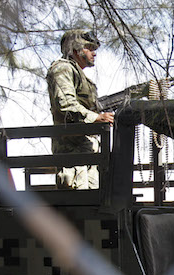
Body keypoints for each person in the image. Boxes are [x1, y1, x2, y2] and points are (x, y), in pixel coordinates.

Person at [47, 29, 114, 189]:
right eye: (89, 48)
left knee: (94, 203)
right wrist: (96, 118)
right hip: (73, 153)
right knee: (78, 202)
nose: (94, 53)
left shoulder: (81, 76)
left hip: (87, 153)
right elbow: (66, 104)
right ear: (76, 50)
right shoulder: (62, 69)